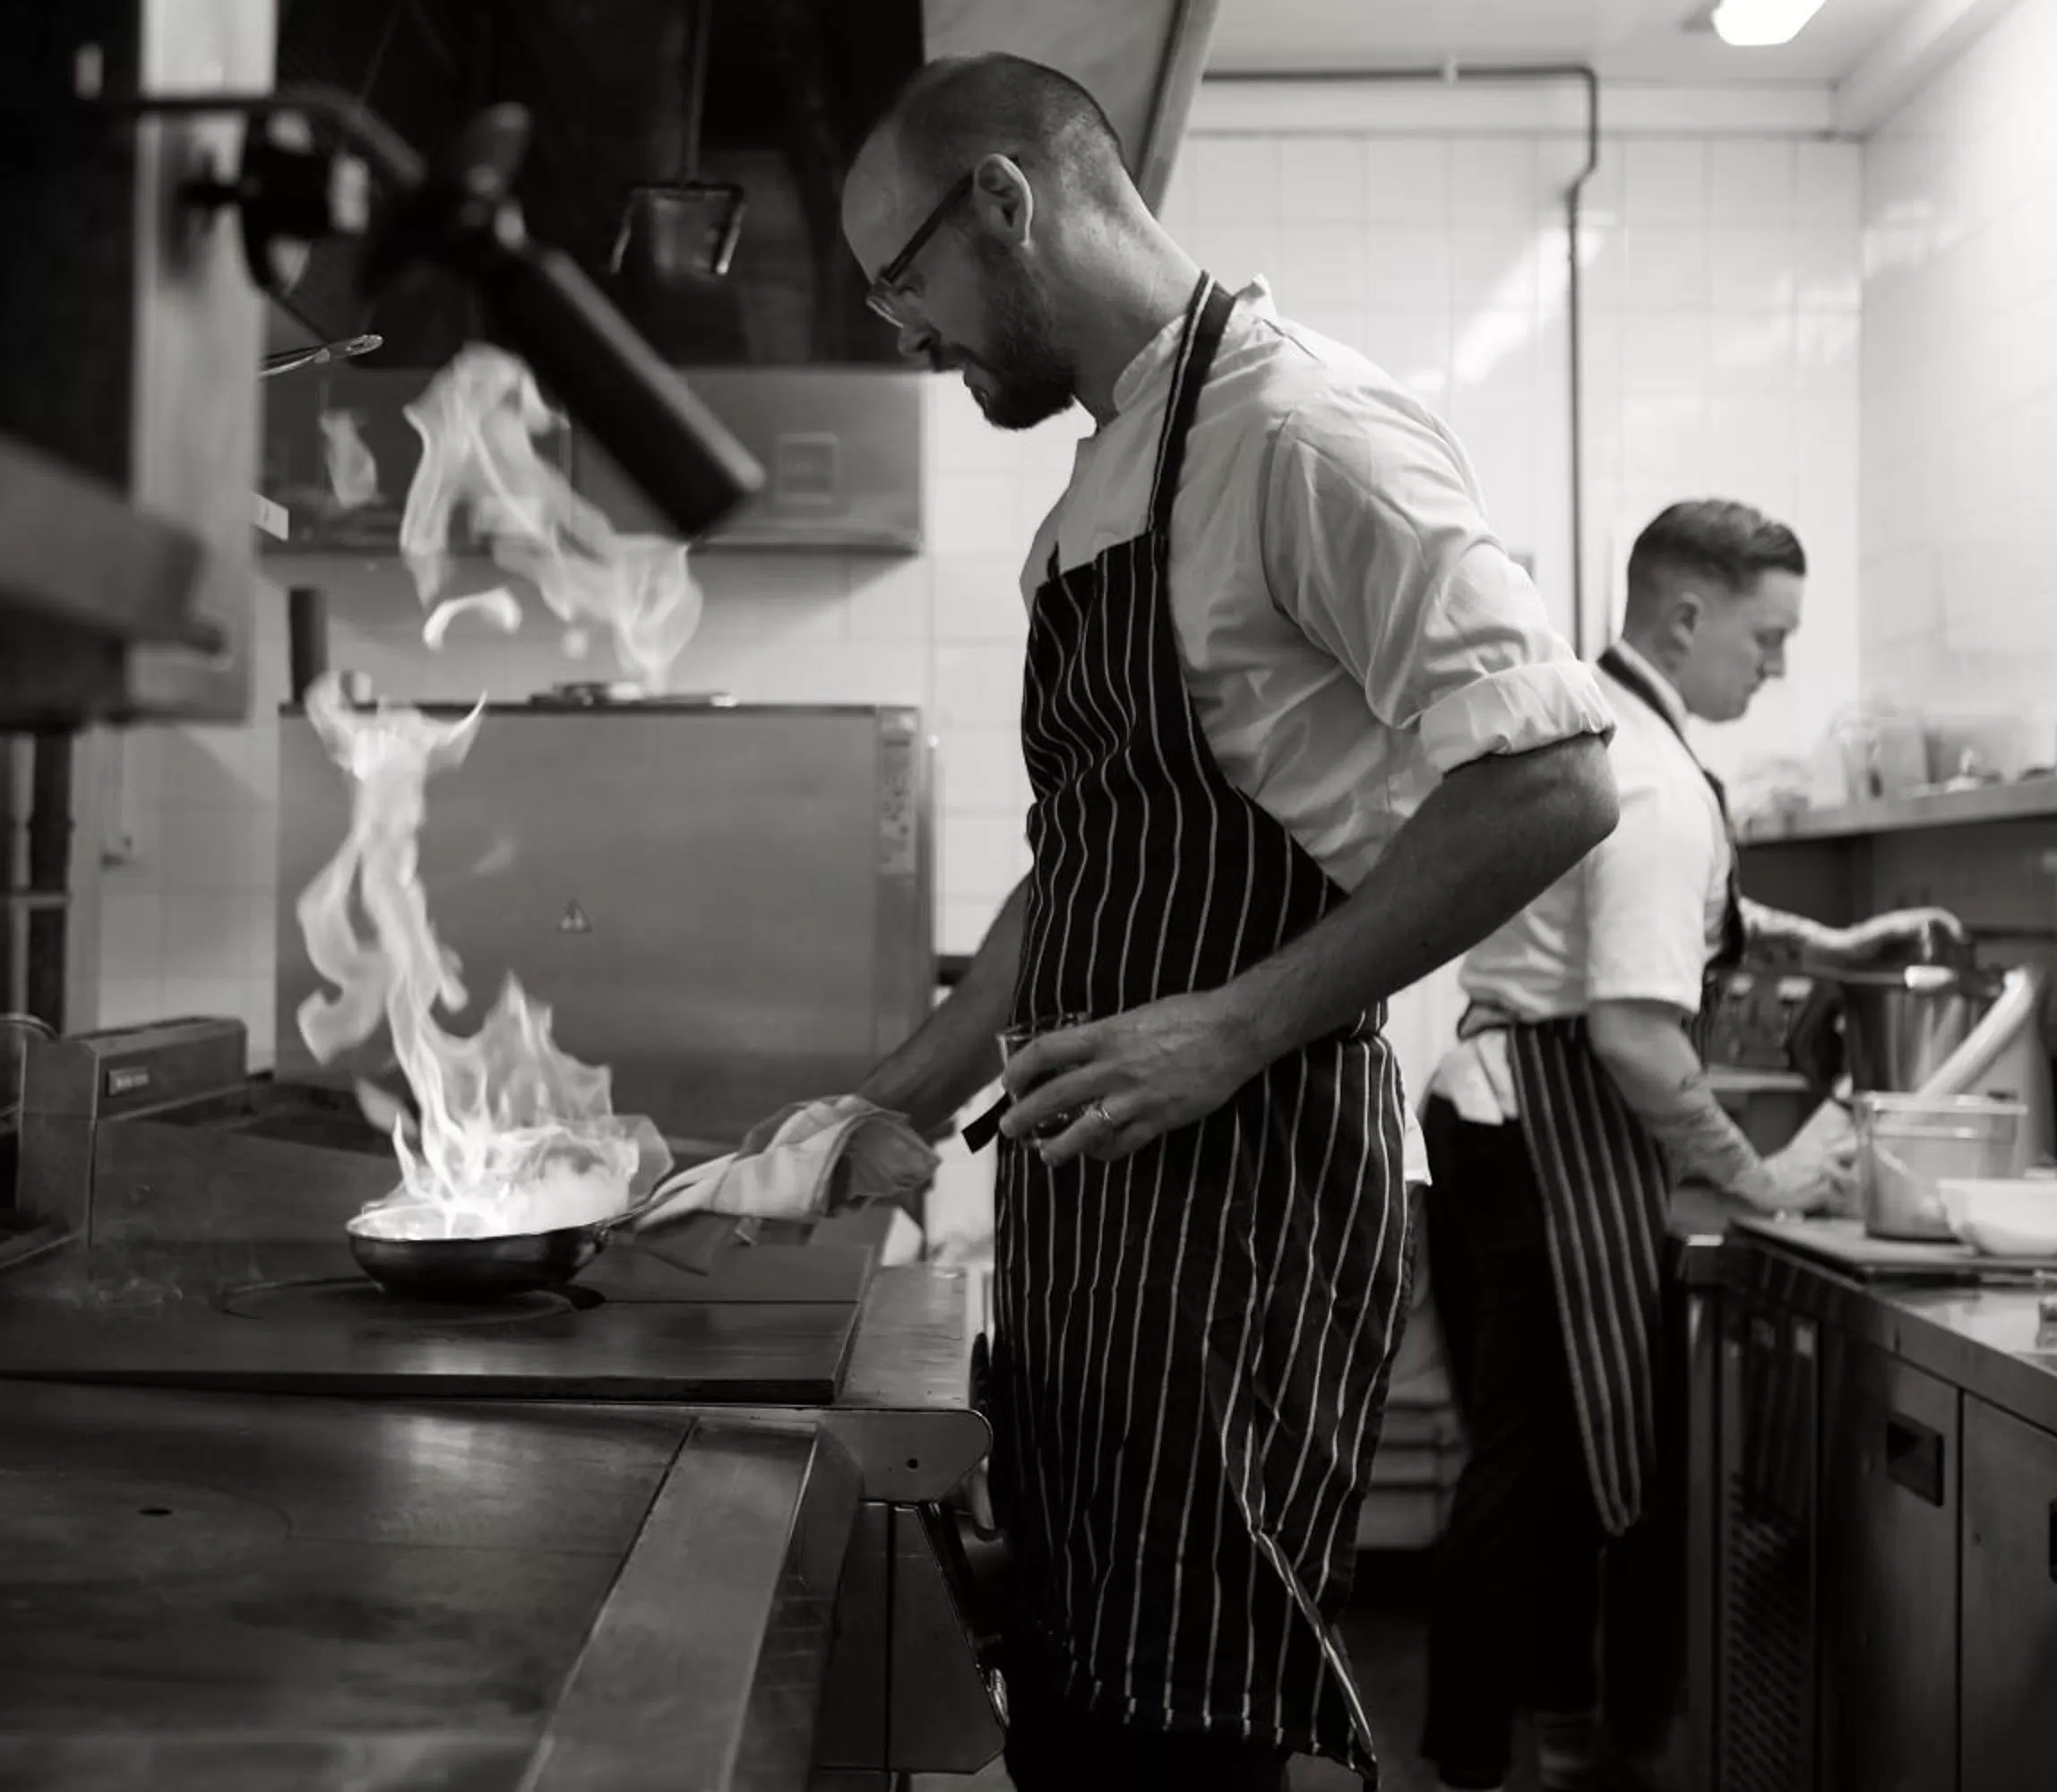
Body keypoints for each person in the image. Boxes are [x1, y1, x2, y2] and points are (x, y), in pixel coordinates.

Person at [667, 51, 1625, 1788]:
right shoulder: (1104, 490)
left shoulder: (1299, 431)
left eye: (902, 283)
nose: (904, 333)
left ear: (1006, 203)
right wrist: (882, 1100)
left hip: (1242, 1212)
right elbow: (1085, 872)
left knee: (1178, 1733)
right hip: (1096, 1220)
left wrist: (1234, 1024)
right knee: (1083, 1706)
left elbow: (1554, 777)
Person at [1418, 499, 1960, 1792]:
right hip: (1543, 1135)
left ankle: (1538, 1744)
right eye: (1768, 639)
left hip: (1486, 1119)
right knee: (1543, 1471)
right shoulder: (1657, 779)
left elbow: (1683, 910)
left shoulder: (1614, 726)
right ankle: (1482, 1764)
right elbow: (1637, 1040)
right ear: (1685, 615)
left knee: (1535, 1465)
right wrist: (1761, 1177)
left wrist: (1829, 943)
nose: (1778, 667)